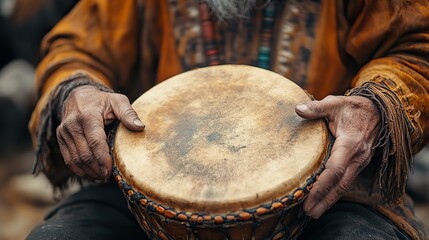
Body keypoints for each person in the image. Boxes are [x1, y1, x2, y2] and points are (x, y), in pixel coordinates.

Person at [28, 0, 429, 239]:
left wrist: (377, 105)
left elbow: (416, 46)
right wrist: (78, 92)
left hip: (337, 190)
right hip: (141, 199)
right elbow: (74, 48)